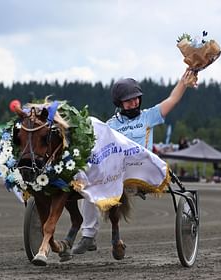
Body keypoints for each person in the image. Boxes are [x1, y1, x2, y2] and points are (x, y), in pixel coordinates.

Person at [72, 69, 197, 256]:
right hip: (118, 173)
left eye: (136, 98)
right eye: (129, 100)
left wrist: (183, 83)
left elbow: (172, 100)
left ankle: (103, 236)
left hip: (141, 172)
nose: (134, 102)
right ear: (119, 103)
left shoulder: (148, 116)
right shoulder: (110, 125)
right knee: (89, 185)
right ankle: (89, 235)